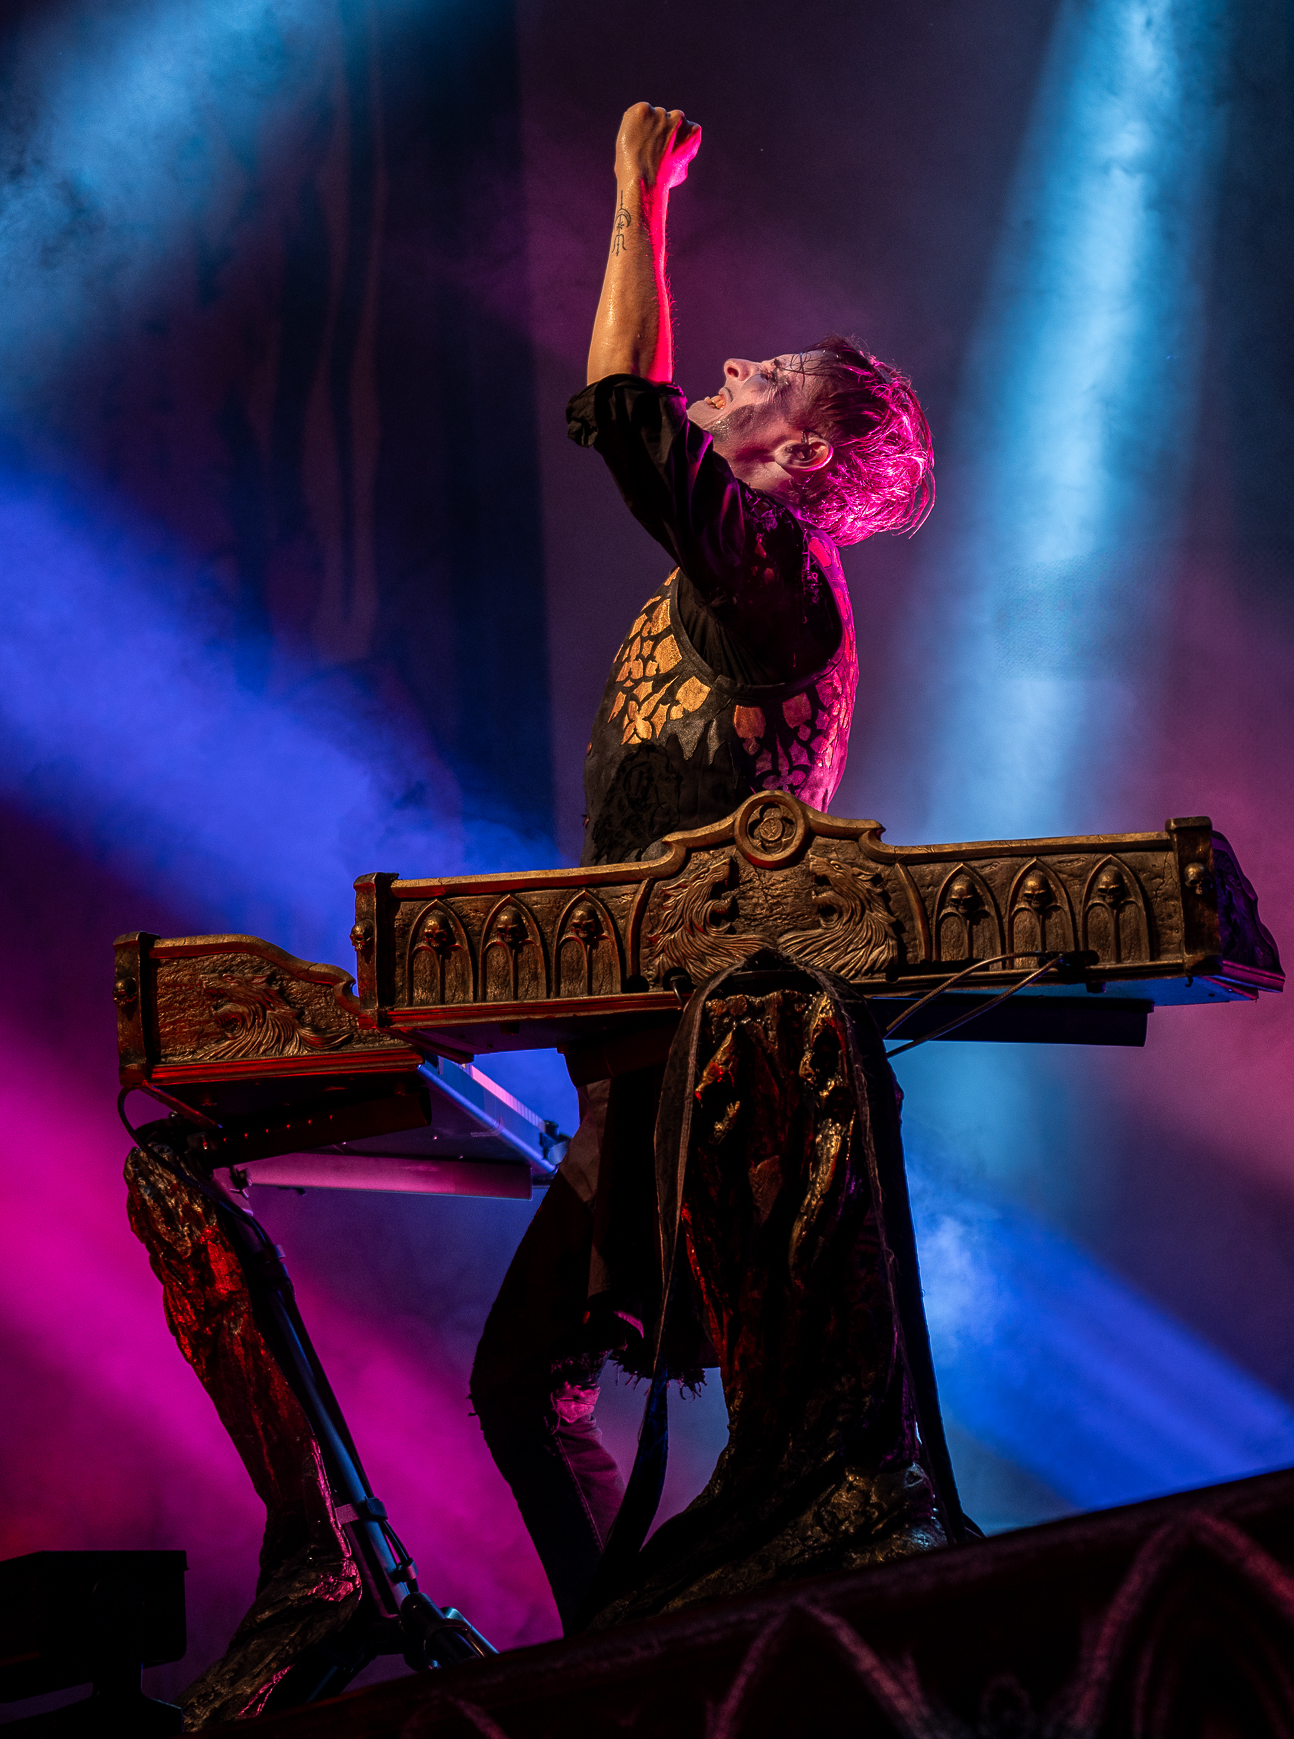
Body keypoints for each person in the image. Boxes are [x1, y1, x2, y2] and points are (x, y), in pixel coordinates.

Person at [470, 101, 936, 1632]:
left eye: (766, 379)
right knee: (540, 1383)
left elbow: (621, 407)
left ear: (797, 452)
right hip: (643, 1054)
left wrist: (633, 197)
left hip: (726, 1065)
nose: (731, 370)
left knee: (761, 1418)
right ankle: (636, 1663)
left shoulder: (778, 573)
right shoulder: (709, 588)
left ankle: (696, 1667)